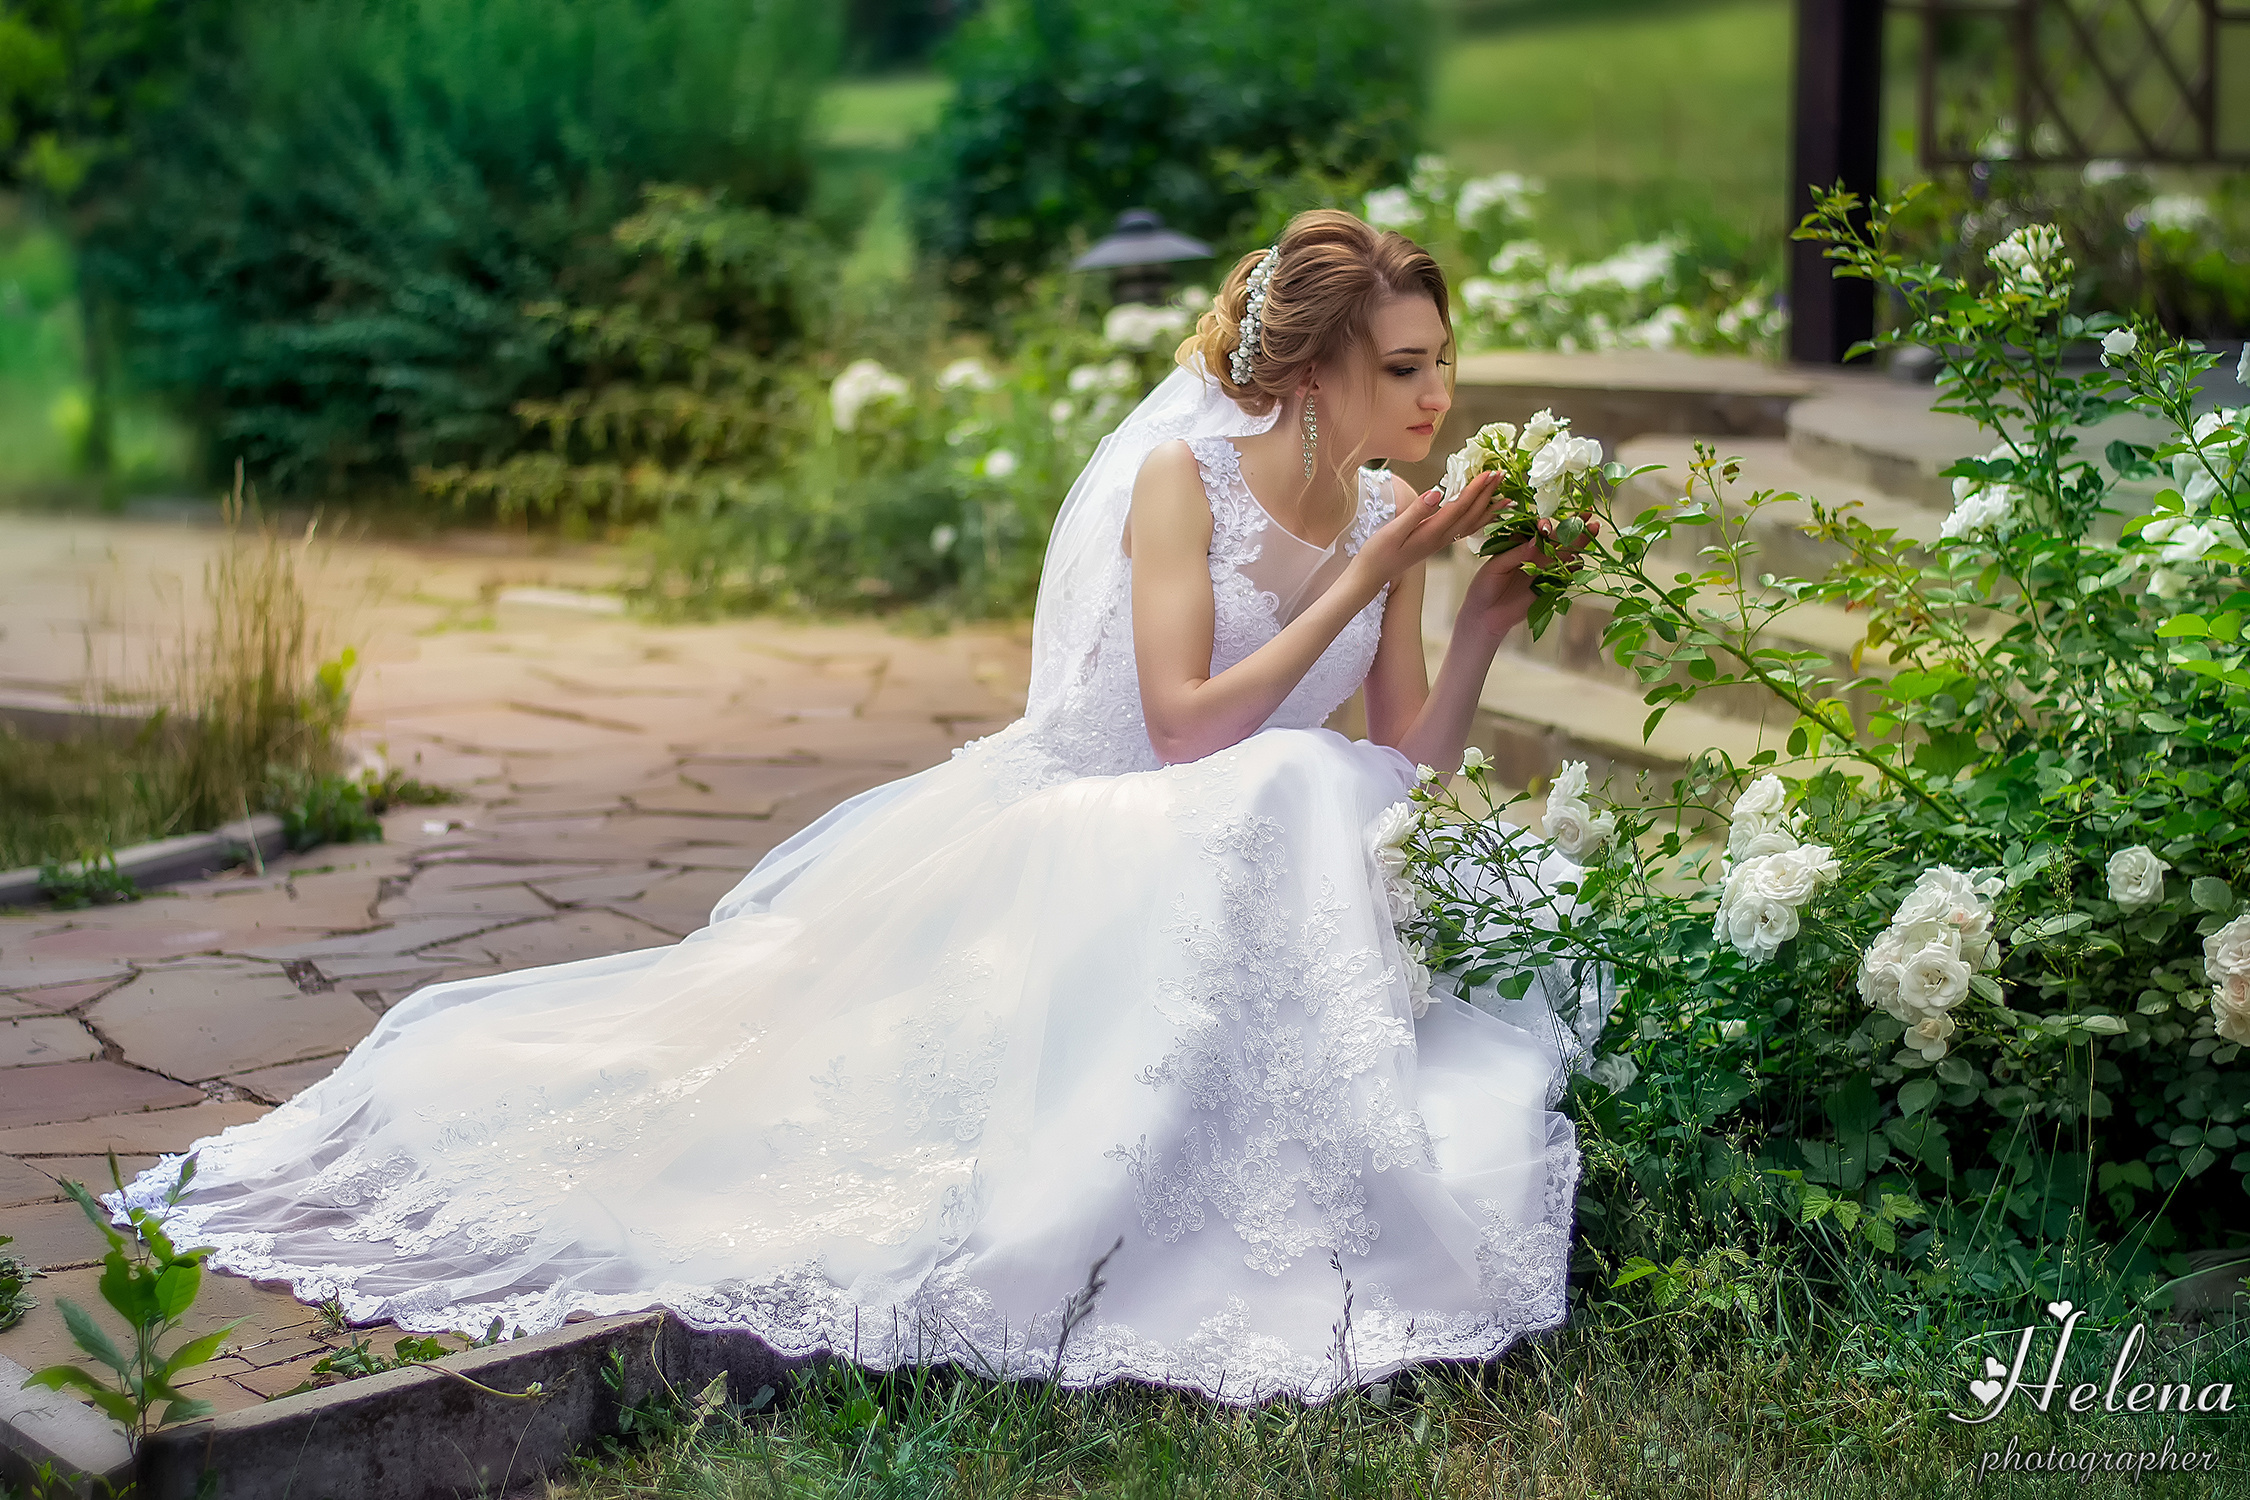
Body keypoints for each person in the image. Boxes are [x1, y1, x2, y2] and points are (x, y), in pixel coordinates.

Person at [113, 208, 1612, 1404]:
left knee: (1329, 795)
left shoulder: (1380, 515)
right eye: (1404, 368)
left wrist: (1477, 614)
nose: (1439, 396)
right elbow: (1179, 730)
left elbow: (1402, 770)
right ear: (1312, 374)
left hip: (1242, 842)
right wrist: (1368, 579)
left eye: (1441, 363)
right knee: (1285, 779)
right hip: (1102, 824)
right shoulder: (1183, 479)